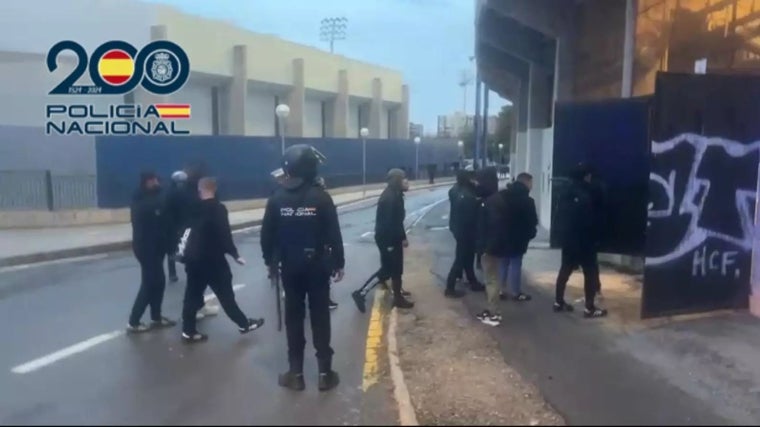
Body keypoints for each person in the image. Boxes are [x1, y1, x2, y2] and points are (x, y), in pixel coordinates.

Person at [261, 144, 344, 392]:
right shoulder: (321, 197)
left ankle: (296, 374)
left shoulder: (276, 198)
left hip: (289, 267)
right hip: (317, 267)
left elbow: (267, 237)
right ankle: (324, 373)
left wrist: (270, 262)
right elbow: (334, 234)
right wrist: (339, 263)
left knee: (294, 318)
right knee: (320, 317)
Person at [180, 177, 265, 342]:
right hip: (213, 261)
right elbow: (224, 234)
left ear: (200, 190)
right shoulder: (218, 209)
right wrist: (235, 255)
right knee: (226, 295)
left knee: (191, 295)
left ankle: (188, 331)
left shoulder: (192, 208)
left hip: (194, 260)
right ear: (215, 189)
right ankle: (243, 324)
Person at [553, 163, 607, 318]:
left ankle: (558, 302)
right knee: (589, 272)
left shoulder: (564, 193)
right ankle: (589, 308)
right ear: (586, 176)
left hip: (568, 240)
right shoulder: (588, 193)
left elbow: (559, 217)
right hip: (585, 241)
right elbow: (592, 219)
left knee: (565, 270)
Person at [127, 171, 175, 333]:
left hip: (158, 246)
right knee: (149, 282)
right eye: (152, 180)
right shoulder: (140, 199)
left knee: (160, 281)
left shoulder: (158, 195)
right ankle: (134, 321)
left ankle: (156, 316)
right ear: (145, 182)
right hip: (145, 247)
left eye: (156, 179)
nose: (155, 182)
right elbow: (152, 210)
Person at [373, 168, 414, 309]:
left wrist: (403, 237)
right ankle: (397, 298)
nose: (407, 181)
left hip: (390, 237)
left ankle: (395, 289)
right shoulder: (390, 198)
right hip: (388, 238)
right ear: (397, 180)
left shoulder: (395, 194)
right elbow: (389, 224)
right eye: (404, 178)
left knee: (392, 267)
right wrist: (390, 244)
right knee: (395, 268)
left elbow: (397, 221)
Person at [497, 173, 538, 301]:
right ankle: (515, 292)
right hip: (518, 238)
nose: (532, 186)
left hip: (501, 236)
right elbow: (533, 221)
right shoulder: (528, 201)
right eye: (531, 182)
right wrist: (530, 234)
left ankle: (499, 290)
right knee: (515, 263)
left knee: (503, 262)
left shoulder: (502, 196)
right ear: (526, 182)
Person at [445, 170, 483, 298]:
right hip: (466, 230)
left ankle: (473, 281)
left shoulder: (455, 190)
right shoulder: (467, 195)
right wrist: (478, 202)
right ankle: (449, 287)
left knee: (467, 256)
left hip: (457, 228)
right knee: (461, 258)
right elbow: (470, 214)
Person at [315, 176, 339, 311]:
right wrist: (338, 260)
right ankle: (325, 301)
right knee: (324, 276)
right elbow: (332, 229)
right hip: (321, 246)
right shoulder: (324, 198)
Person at [165, 170, 188, 283]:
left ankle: (173, 273)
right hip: (176, 225)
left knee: (173, 250)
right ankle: (173, 273)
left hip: (178, 224)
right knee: (174, 250)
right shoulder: (172, 194)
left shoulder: (170, 193)